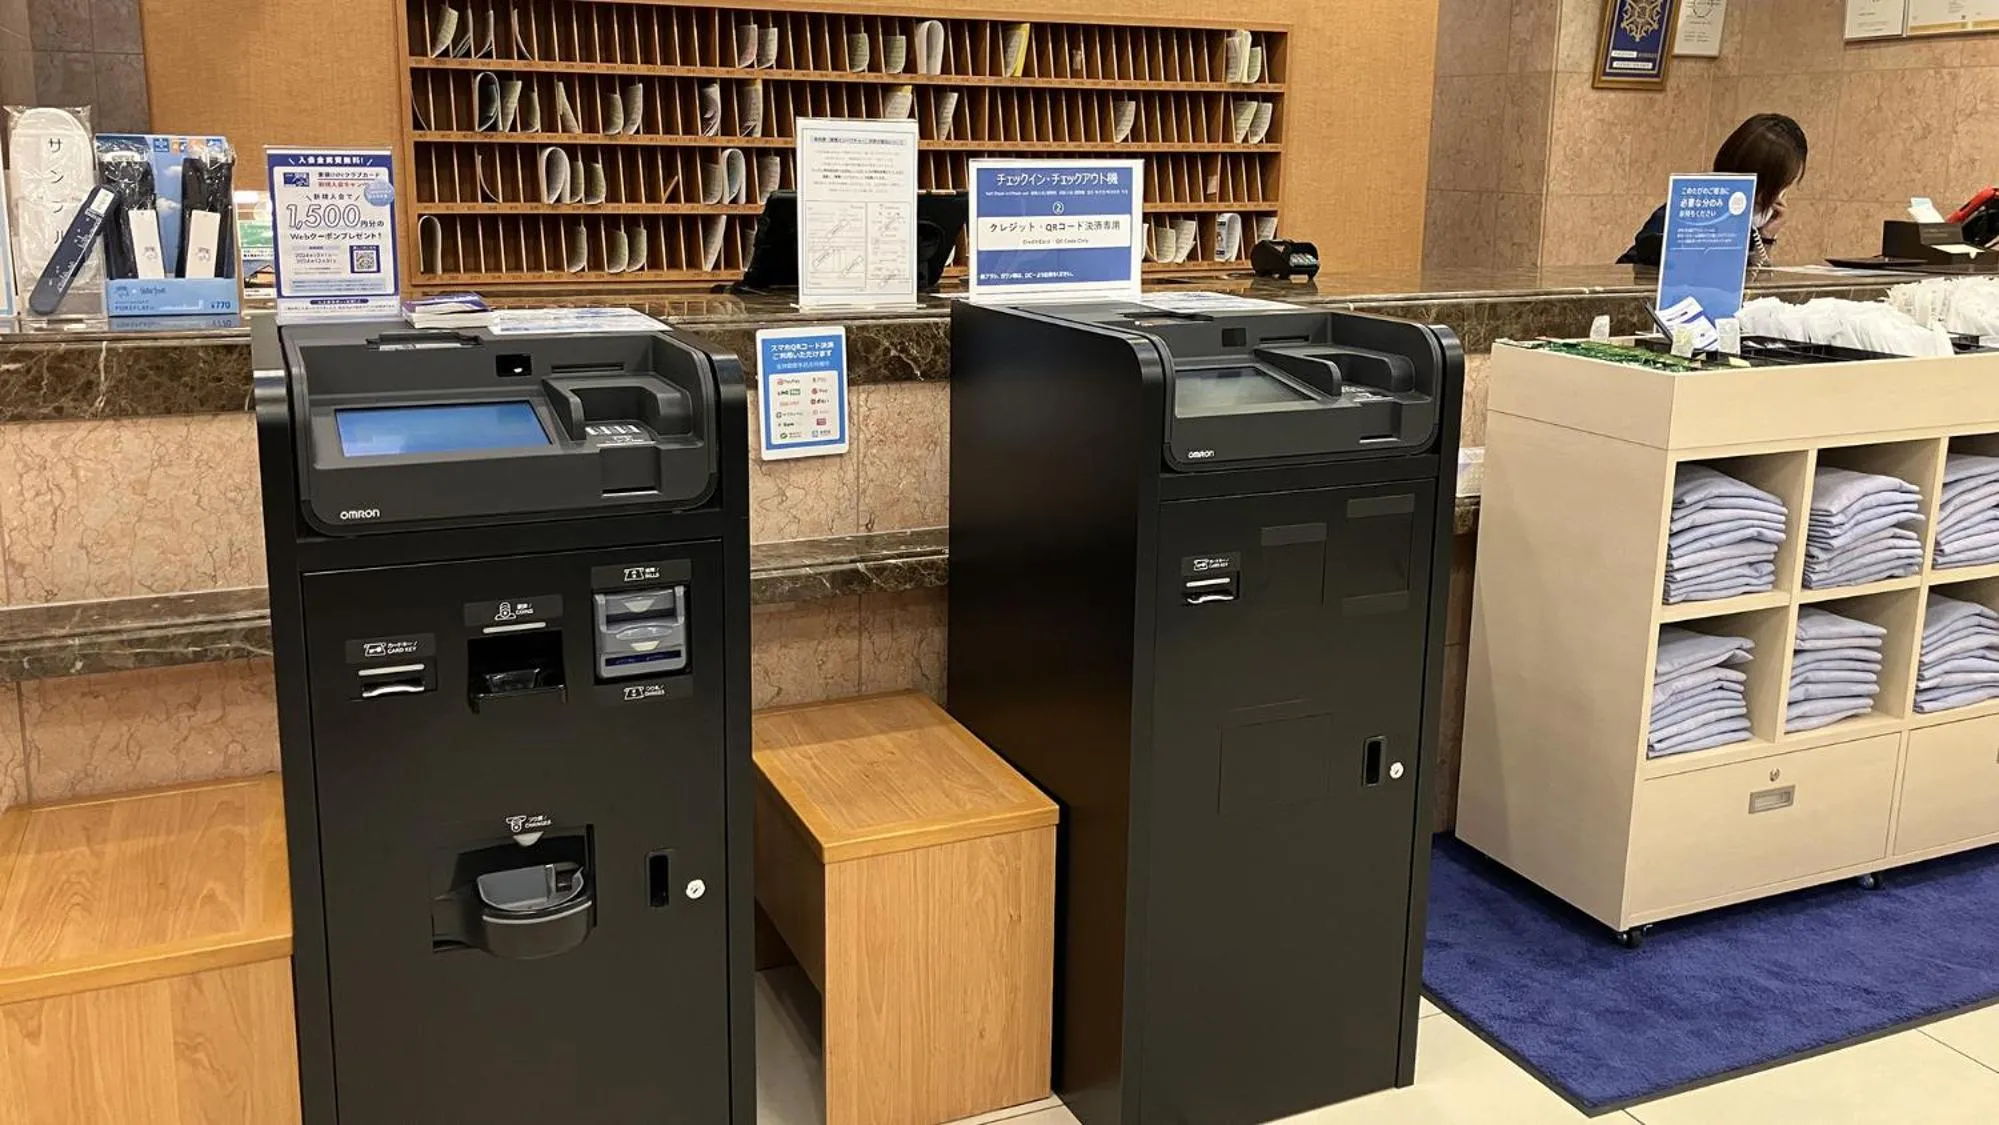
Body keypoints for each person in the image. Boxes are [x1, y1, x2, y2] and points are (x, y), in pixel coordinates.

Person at [1618, 113, 1809, 269]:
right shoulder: (1690, 212)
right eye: (1779, 186)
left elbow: (1754, 284)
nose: (1780, 195)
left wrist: (1766, 236)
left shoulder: (1751, 222)